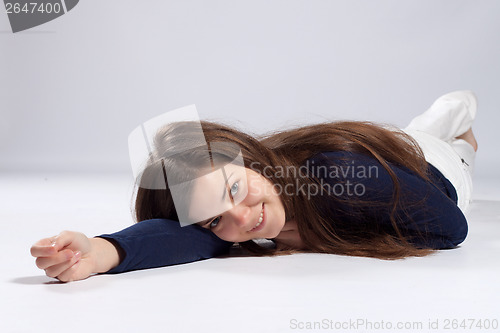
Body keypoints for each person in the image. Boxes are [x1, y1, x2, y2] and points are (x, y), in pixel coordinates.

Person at [30, 90, 478, 282]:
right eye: (214, 219)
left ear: (252, 160)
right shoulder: (226, 225)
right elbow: (176, 237)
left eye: (235, 190)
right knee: (415, 132)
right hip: (391, 161)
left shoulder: (338, 176)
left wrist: (347, 230)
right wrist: (103, 252)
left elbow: (451, 228)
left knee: (445, 138)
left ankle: (456, 120)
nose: (243, 218)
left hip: (435, 174)